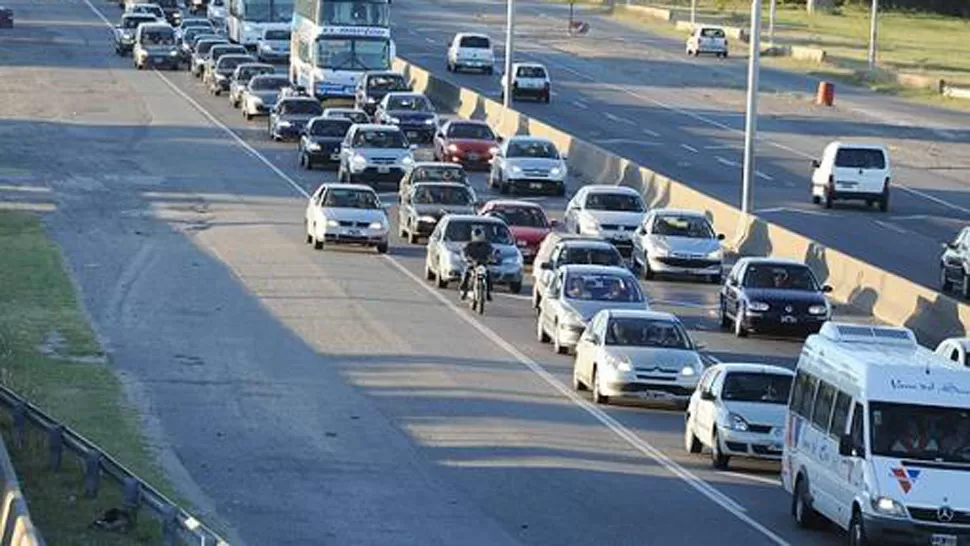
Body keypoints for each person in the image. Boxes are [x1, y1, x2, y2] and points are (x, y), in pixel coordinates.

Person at [459, 226, 494, 302]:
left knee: (488, 274)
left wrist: (492, 259)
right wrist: (466, 259)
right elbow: (464, 253)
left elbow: (492, 253)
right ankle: (464, 289)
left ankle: (488, 292)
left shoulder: (487, 245)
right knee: (466, 272)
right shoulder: (469, 245)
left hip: (483, 264)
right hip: (472, 264)